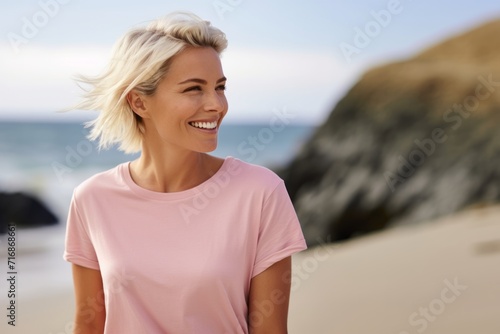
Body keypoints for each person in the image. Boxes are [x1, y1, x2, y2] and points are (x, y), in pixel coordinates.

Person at [63, 11, 307, 334]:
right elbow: (89, 323)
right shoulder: (91, 200)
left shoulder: (261, 193)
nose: (217, 105)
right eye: (194, 89)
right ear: (139, 102)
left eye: (220, 87)